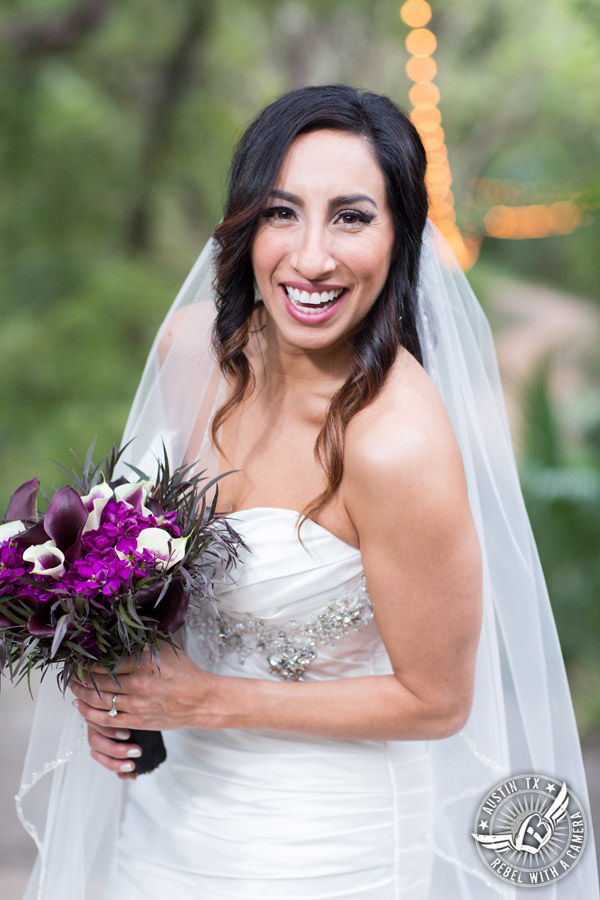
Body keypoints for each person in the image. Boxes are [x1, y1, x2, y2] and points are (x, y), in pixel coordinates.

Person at [18, 85, 598, 899]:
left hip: (321, 842)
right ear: (246, 225)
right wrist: (112, 665)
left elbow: (436, 703)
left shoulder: (396, 442)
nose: (311, 257)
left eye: (352, 217)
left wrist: (208, 699)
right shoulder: (193, 351)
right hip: (162, 822)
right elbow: (137, 568)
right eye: (282, 213)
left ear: (401, 237)